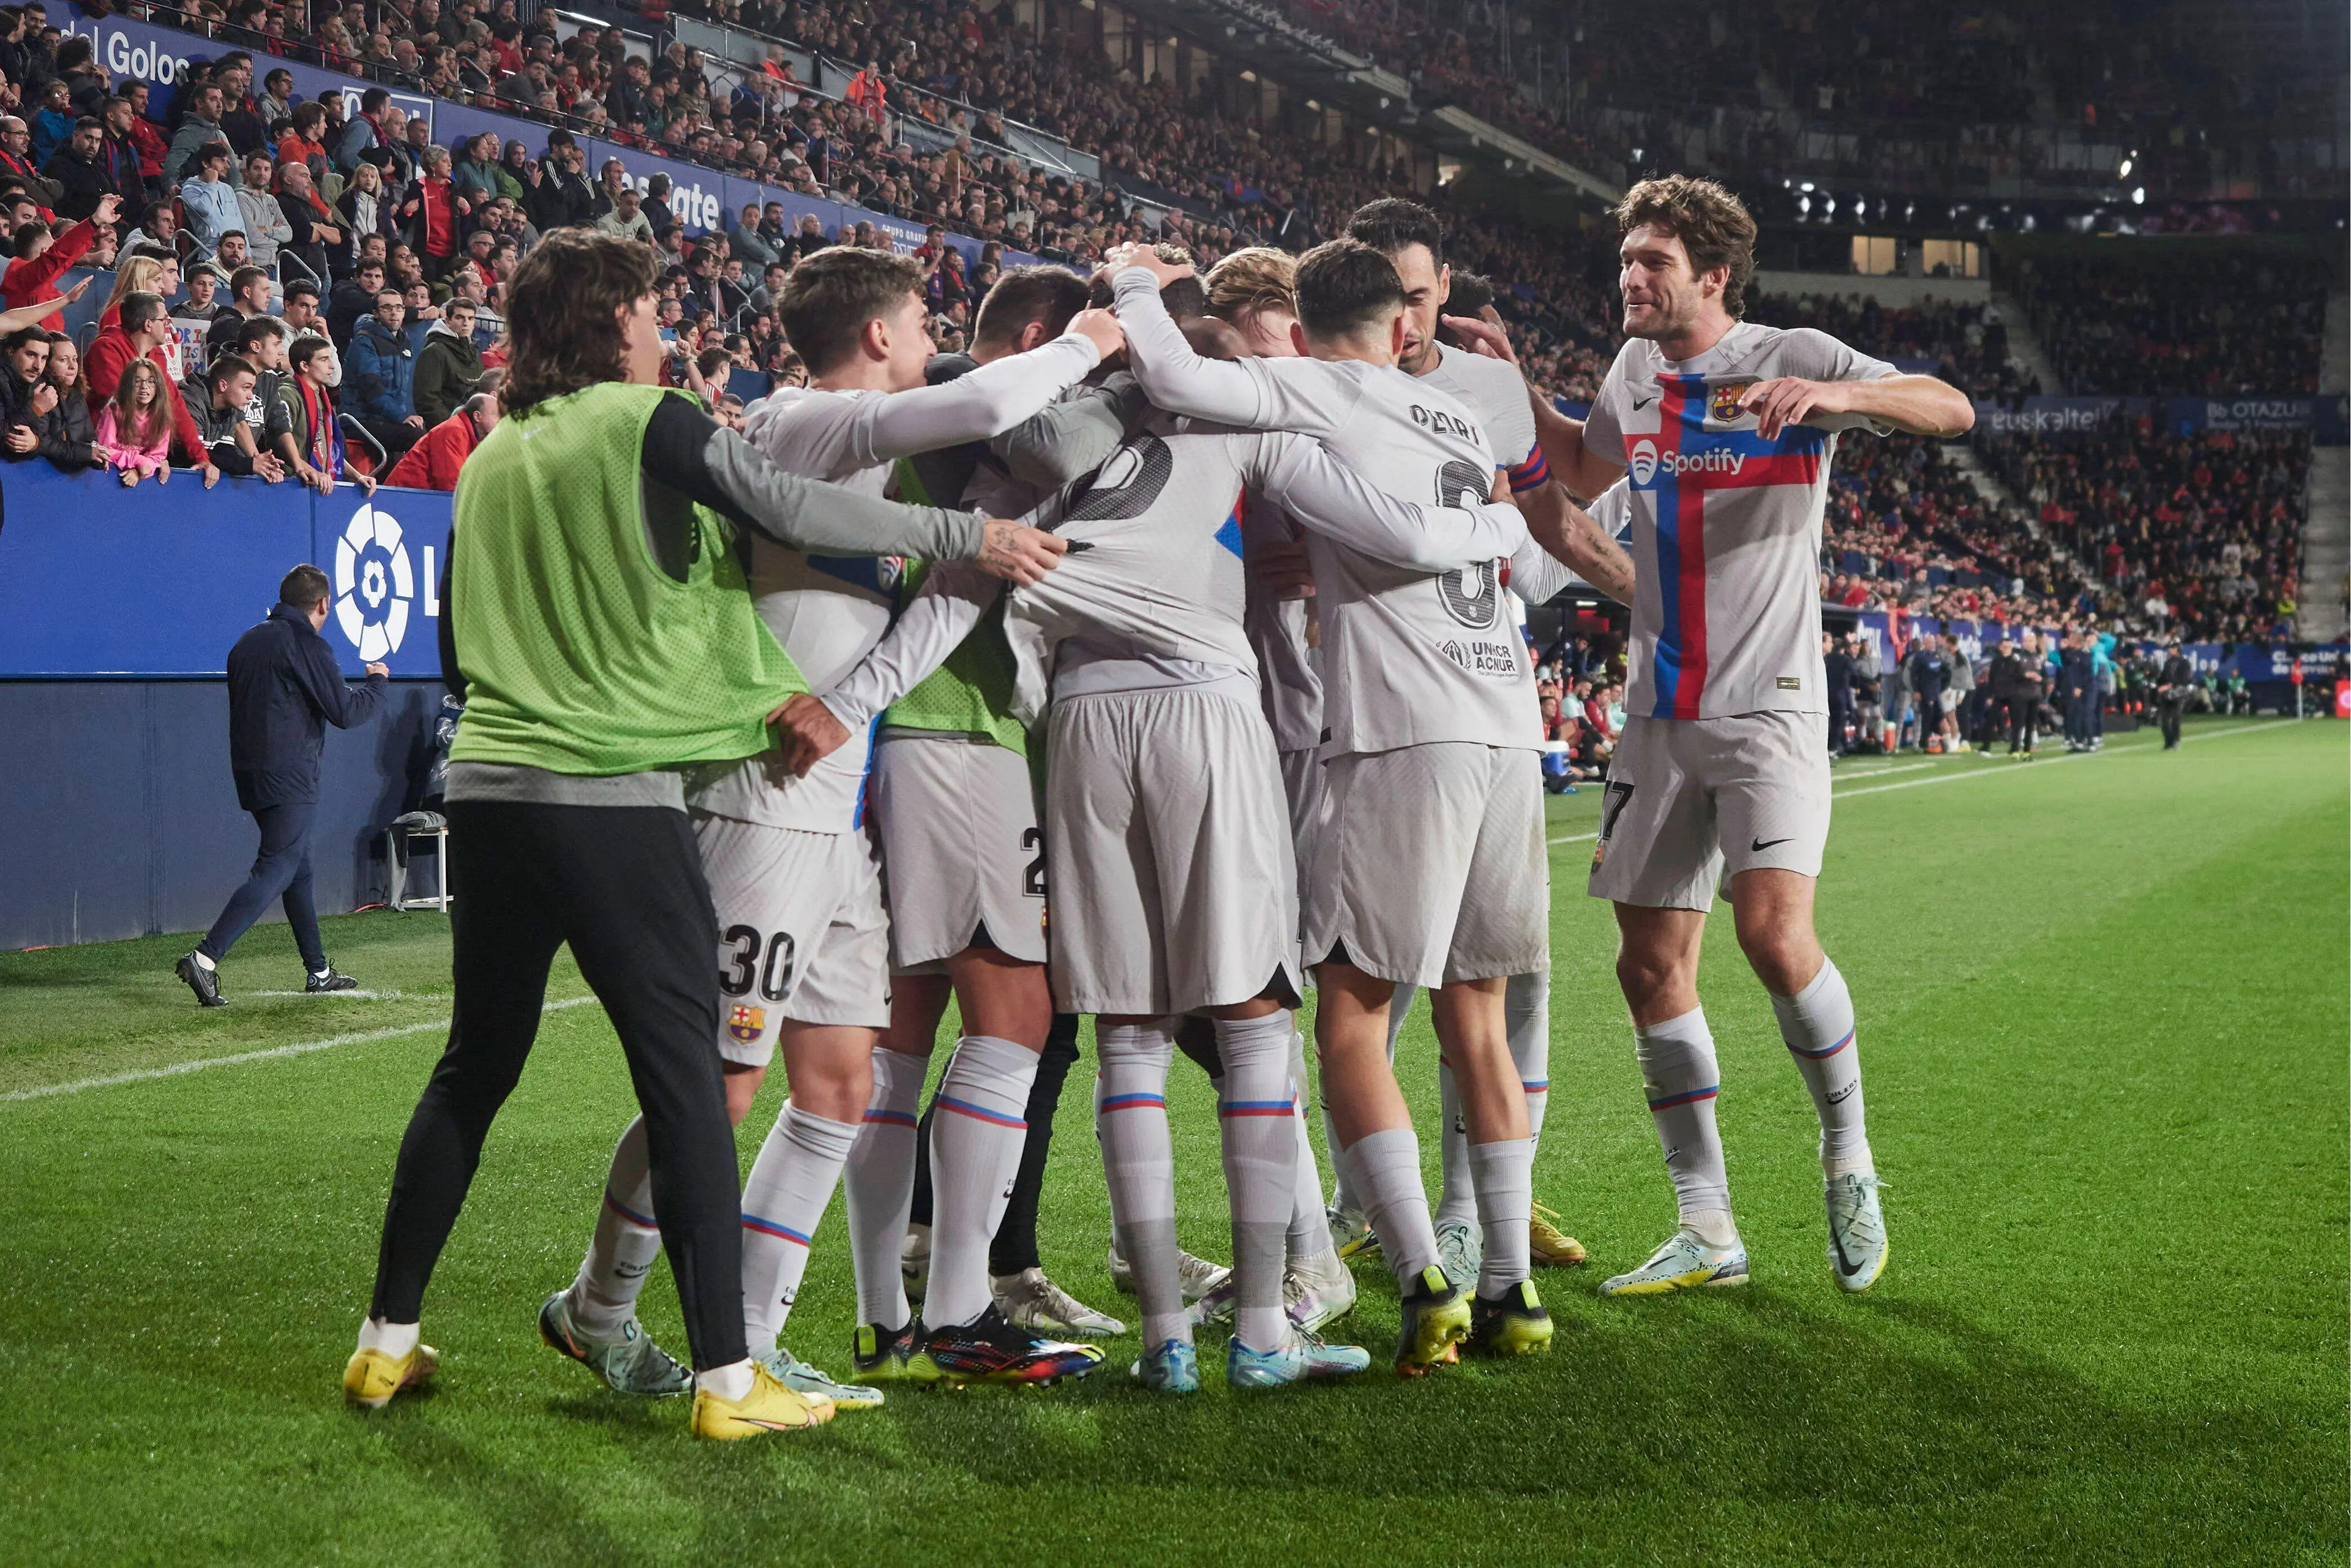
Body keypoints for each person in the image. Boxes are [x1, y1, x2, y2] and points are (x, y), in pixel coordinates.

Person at [346, 228, 1069, 1441]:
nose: (664, 327)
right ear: (611, 318)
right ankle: (628, 1319)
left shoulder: (487, 457)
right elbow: (800, 492)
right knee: (709, 1077)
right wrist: (1085, 362)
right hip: (714, 786)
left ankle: (423, 1335)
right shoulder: (707, 422)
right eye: (647, 309)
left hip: (624, 787)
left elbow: (458, 644)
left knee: (831, 1077)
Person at [547, 245, 1119, 1403]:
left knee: (839, 1083)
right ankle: (597, 1308)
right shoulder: (806, 420)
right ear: (876, 338)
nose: (926, 342)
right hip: (764, 800)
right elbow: (987, 395)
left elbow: (923, 591)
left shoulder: (854, 459)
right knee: (718, 1083)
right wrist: (1097, 341)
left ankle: (755, 1341)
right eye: (916, 325)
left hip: (834, 812)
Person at [1108, 237, 1587, 1369]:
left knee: (1348, 1018)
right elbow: (1517, 556)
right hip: (1508, 727)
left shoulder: (1314, 383)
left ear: (1308, 322)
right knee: (1477, 1017)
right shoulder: (1458, 419)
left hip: (1399, 731)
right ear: (1400, 323)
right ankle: (1512, 1287)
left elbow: (1175, 379)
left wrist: (1133, 280)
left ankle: (1426, 1278)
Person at [1522, 174, 1972, 1299]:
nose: (1631, 276)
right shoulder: (1634, 371)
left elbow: (1951, 408)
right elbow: (1583, 468)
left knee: (1774, 937)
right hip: (1656, 711)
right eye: (1627, 258)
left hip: (1770, 703)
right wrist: (1497, 383)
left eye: (1655, 262)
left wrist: (1835, 405)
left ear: (1712, 276)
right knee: (1647, 963)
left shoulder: (1797, 350)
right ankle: (1707, 1223)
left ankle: (1849, 1157)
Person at [1340, 198, 1630, 1283]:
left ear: (1444, 289)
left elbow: (1550, 538)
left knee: (1509, 978)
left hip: (1482, 702)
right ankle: (1370, 1205)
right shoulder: (1327, 382)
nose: (1402, 320)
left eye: (1416, 296)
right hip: (1368, 713)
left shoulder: (1485, 387)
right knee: (1375, 980)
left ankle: (1475, 1212)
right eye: (1384, 299)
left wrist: (1646, 594)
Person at [174, 563, 388, 1008]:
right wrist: (377, 683)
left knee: (297, 868)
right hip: (289, 774)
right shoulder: (307, 643)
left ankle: (319, 971)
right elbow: (346, 712)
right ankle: (206, 958)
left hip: (251, 773)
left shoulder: (247, 641)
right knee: (276, 866)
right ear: (323, 603)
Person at [347, 288, 426, 459]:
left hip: (386, 417)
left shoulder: (404, 343)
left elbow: (402, 391)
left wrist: (407, 415)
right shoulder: (365, 341)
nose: (394, 313)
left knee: (426, 431)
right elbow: (372, 390)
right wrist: (402, 416)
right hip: (361, 418)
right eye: (387, 308)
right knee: (415, 436)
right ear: (376, 313)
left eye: (399, 307)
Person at [383, 390, 495, 490]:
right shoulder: (453, 431)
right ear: (477, 416)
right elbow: (451, 483)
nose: (502, 420)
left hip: (424, 498)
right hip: (405, 496)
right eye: (496, 415)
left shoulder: (476, 437)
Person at [96, 354, 173, 484]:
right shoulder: (114, 410)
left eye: (151, 381)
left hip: (138, 479)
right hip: (107, 475)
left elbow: (156, 458)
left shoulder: (162, 419)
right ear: (128, 385)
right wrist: (137, 461)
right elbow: (104, 451)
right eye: (138, 381)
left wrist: (137, 471)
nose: (144, 387)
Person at [413, 296, 484, 425]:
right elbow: (427, 400)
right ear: (448, 321)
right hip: (449, 428)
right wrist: (453, 424)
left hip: (474, 425)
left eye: (471, 318)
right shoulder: (434, 352)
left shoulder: (473, 350)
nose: (466, 323)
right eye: (460, 317)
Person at [2156, 637, 2192, 749]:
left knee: (2176, 719)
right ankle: (2168, 742)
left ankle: (2176, 740)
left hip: (2179, 693)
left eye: (2171, 648)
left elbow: (2186, 680)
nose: (2169, 650)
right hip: (2166, 694)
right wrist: (2155, 683)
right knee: (2164, 721)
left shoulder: (2184, 662)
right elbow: (2162, 678)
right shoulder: (2168, 662)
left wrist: (2170, 685)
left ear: (2177, 649)